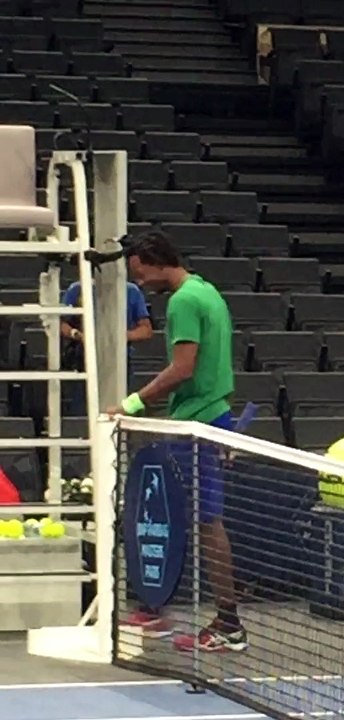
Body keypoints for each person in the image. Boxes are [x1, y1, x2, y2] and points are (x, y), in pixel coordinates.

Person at [105, 229, 245, 653]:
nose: (141, 282)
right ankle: (156, 606)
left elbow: (183, 368)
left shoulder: (185, 301)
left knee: (206, 523)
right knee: (179, 517)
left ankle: (229, 624)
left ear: (154, 260)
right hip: (208, 418)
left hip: (198, 426)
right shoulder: (207, 291)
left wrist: (131, 403)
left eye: (141, 273)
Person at [60, 280, 153, 416]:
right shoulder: (76, 289)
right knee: (81, 413)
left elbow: (146, 330)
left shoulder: (131, 291)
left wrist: (118, 337)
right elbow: (59, 323)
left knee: (121, 411)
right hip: (82, 361)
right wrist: (78, 335)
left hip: (121, 364)